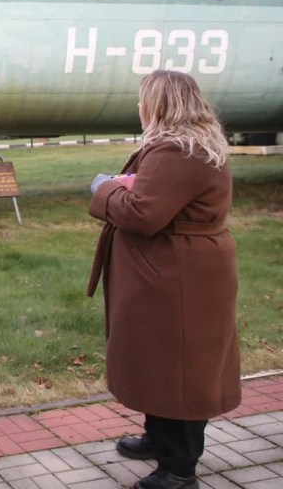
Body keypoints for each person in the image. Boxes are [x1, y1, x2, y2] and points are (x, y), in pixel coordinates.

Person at [87, 70, 241, 489]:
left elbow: (143, 213)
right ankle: (159, 438)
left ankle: (179, 470)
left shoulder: (178, 151)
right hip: (175, 276)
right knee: (163, 364)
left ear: (157, 104)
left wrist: (104, 189)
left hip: (178, 280)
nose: (139, 107)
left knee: (183, 373)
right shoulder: (187, 146)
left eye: (143, 100)